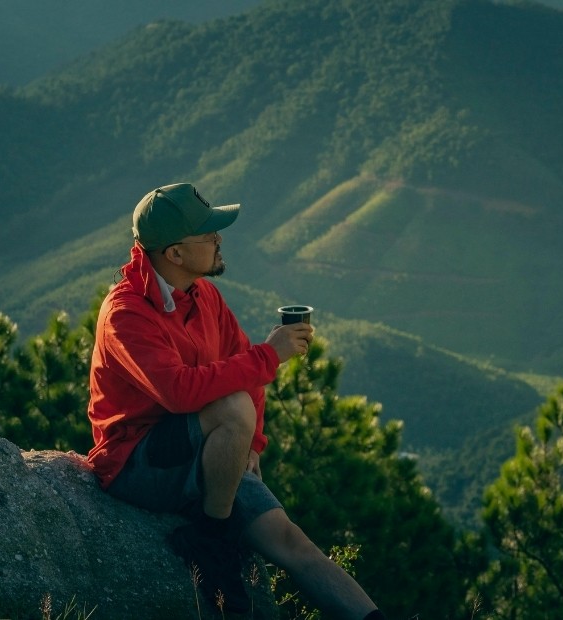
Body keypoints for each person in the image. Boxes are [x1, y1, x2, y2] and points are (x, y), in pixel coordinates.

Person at [86, 183, 385, 619]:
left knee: (291, 542)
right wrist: (270, 356)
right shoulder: (126, 313)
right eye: (208, 236)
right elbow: (180, 391)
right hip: (138, 463)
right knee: (231, 408)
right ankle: (214, 539)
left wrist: (253, 444)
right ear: (175, 254)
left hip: (204, 455)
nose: (218, 239)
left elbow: (244, 368)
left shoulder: (204, 296)